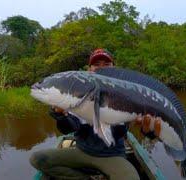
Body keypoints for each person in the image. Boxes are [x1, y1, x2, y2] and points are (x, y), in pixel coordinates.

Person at [30, 49, 162, 180]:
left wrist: (149, 131)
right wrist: (60, 115)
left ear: (113, 68)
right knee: (38, 159)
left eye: (106, 64)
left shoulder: (127, 93)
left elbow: (147, 131)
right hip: (82, 151)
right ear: (89, 69)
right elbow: (68, 129)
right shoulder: (77, 94)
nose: (101, 68)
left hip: (113, 156)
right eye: (96, 64)